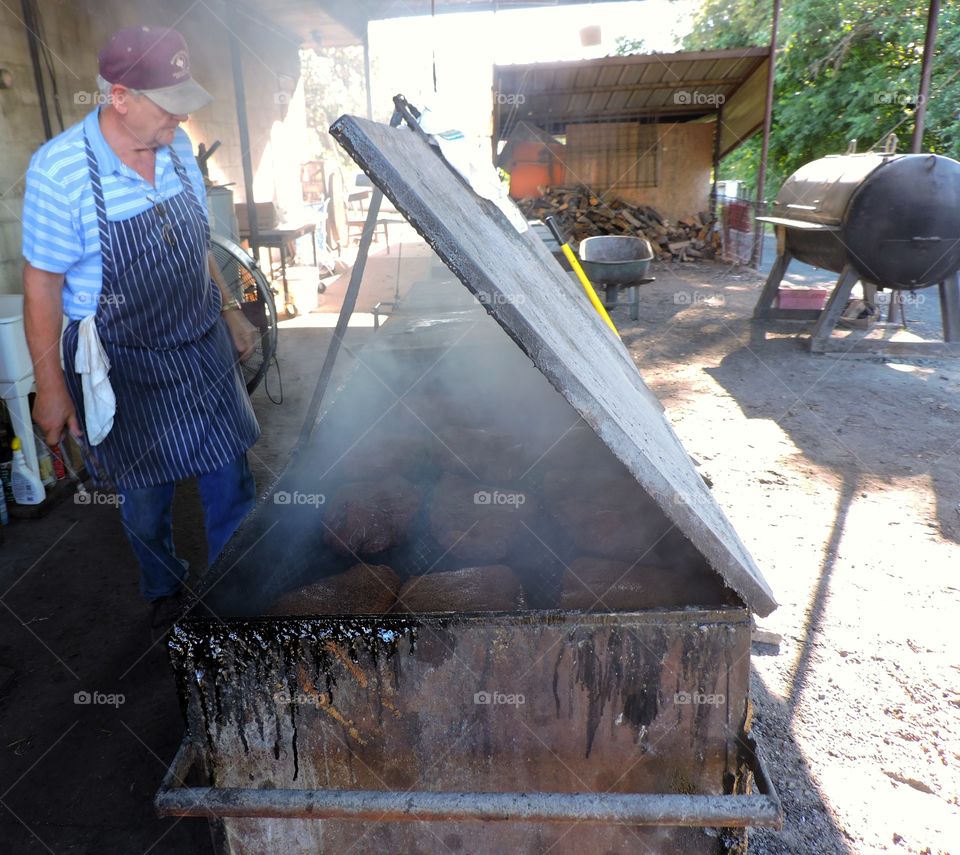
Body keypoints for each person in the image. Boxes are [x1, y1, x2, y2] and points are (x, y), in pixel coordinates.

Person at [22, 26, 261, 630]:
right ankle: (164, 589)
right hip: (122, 356)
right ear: (120, 96)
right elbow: (42, 285)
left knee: (229, 471)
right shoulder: (59, 171)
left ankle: (243, 589)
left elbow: (194, 239)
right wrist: (49, 388)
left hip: (197, 336)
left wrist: (229, 307)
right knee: (145, 493)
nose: (180, 119)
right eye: (168, 103)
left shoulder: (176, 148)